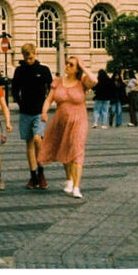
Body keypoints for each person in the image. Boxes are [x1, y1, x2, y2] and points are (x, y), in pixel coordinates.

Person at [39, 56, 97, 199]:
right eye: (67, 63)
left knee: (77, 149)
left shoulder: (82, 82)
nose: (68, 66)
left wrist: (83, 67)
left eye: (71, 65)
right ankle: (69, 179)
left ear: (77, 69)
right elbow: (49, 99)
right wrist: (44, 112)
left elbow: (95, 81)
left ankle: (76, 186)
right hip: (61, 120)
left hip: (79, 120)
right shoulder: (58, 82)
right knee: (65, 148)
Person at [12, 43, 54, 189]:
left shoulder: (43, 70)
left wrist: (47, 104)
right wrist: (20, 103)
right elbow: (14, 90)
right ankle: (33, 175)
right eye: (26, 58)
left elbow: (52, 87)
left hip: (39, 111)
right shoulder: (19, 70)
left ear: (35, 54)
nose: (28, 60)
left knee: (37, 139)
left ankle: (41, 172)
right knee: (29, 144)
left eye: (30, 57)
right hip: (25, 112)